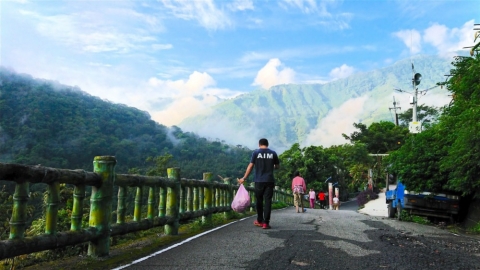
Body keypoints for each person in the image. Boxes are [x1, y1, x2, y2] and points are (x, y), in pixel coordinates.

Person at [238, 138, 279, 229]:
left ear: (259, 144)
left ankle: (259, 220)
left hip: (259, 180)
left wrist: (244, 178)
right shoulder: (273, 153)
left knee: (259, 201)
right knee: (268, 201)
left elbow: (250, 166)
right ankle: (266, 223)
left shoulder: (256, 153)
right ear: (267, 144)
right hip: (269, 180)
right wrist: (271, 165)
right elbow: (277, 166)